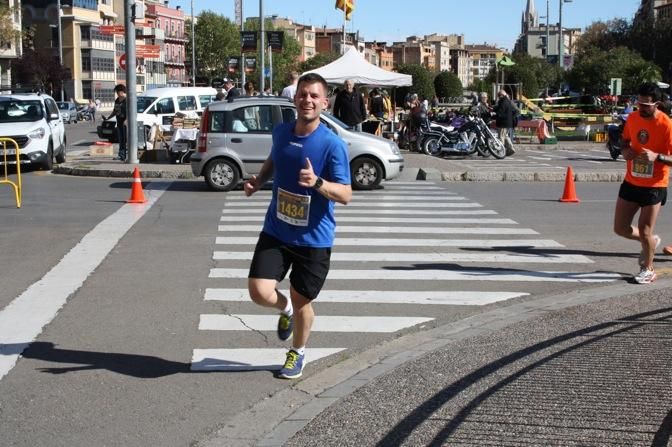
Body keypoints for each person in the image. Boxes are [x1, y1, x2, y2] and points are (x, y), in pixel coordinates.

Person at [243, 72, 352, 379]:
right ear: (295, 98)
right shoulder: (281, 132)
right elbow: (274, 159)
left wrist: (317, 183)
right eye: (303, 94)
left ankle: (297, 352)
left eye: (314, 96)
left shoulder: (332, 145)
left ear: (324, 103)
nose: (307, 100)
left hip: (313, 238)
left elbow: (346, 194)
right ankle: (285, 308)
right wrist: (259, 181)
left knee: (304, 302)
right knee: (258, 291)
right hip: (277, 228)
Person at [613, 82, 672, 284]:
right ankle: (651, 242)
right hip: (631, 181)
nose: (642, 108)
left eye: (646, 105)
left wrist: (658, 157)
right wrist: (624, 151)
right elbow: (625, 140)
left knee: (645, 229)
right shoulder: (633, 117)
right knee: (620, 229)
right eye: (639, 104)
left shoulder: (666, 125)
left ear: (657, 103)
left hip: (655, 185)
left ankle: (648, 269)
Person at [102, 84, 128, 161]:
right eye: (117, 92)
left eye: (118, 91)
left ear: (122, 91)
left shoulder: (126, 100)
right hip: (119, 122)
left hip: (125, 123)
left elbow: (130, 111)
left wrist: (126, 120)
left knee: (125, 139)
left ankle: (126, 155)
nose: (117, 93)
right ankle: (121, 155)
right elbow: (115, 111)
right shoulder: (117, 100)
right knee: (121, 139)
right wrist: (108, 118)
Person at [493, 89, 516, 156]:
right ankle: (511, 149)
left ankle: (501, 151)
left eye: (499, 95)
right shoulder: (507, 101)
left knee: (501, 137)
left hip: (503, 123)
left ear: (502, 95)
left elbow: (500, 113)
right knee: (505, 136)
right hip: (508, 123)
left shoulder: (503, 102)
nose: (498, 97)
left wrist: (493, 116)